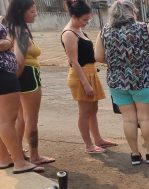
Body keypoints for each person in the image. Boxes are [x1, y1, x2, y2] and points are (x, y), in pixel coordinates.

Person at [95, 0, 149, 165]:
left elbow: (98, 57)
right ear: (132, 12)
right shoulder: (142, 27)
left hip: (118, 80)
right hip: (144, 78)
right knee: (145, 118)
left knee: (129, 119)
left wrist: (118, 62)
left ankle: (134, 154)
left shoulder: (105, 31)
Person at [61, 0, 117, 154]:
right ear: (74, 16)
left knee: (93, 110)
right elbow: (73, 61)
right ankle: (89, 145)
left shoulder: (78, 30)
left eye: (88, 19)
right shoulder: (69, 33)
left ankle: (98, 139)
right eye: (84, 20)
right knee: (84, 112)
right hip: (81, 76)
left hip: (91, 72)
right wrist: (85, 84)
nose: (86, 23)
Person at [4, 0, 55, 165]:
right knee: (31, 119)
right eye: (32, 11)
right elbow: (19, 60)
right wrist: (15, 82)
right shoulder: (21, 32)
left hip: (17, 77)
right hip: (27, 77)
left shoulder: (10, 27)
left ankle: (17, 153)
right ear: (22, 11)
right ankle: (34, 155)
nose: (36, 14)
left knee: (20, 119)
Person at [0, 21, 44, 174]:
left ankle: (5, 158)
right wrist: (6, 43)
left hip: (6, 74)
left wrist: (6, 42)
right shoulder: (17, 28)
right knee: (8, 121)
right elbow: (5, 43)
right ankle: (19, 161)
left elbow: (6, 42)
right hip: (4, 75)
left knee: (5, 120)